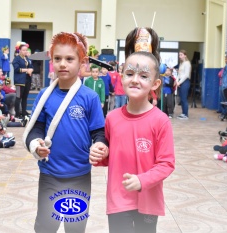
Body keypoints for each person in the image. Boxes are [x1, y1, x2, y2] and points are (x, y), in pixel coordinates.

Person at [90, 27, 175, 233]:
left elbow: (166, 164)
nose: (135, 79)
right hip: (118, 199)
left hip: (148, 200)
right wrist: (99, 154)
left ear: (155, 84)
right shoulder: (112, 118)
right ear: (121, 77)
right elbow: (112, 155)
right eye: (129, 73)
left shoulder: (161, 121)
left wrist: (142, 180)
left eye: (143, 76)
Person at [24, 32, 107, 233]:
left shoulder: (90, 97)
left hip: (79, 176)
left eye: (70, 59)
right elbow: (35, 128)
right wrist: (36, 145)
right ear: (52, 61)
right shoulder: (45, 95)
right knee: (45, 227)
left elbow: (99, 132)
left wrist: (99, 145)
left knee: (75, 228)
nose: (63, 64)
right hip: (50, 175)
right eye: (58, 59)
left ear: (82, 62)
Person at [12, 42, 33, 119]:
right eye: (23, 50)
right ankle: (17, 113)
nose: (25, 52)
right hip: (19, 81)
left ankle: (23, 112)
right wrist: (26, 70)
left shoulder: (27, 58)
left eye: (26, 50)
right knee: (18, 97)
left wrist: (31, 70)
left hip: (27, 80)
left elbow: (31, 66)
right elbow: (17, 69)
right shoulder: (16, 59)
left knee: (25, 97)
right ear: (20, 50)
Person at [176, 50, 191, 120]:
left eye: (181, 55)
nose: (180, 56)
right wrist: (177, 81)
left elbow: (186, 75)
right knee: (181, 99)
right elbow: (179, 74)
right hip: (180, 82)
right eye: (179, 55)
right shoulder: (181, 64)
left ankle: (186, 114)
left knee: (184, 98)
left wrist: (180, 82)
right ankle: (183, 113)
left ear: (185, 55)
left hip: (185, 82)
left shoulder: (187, 63)